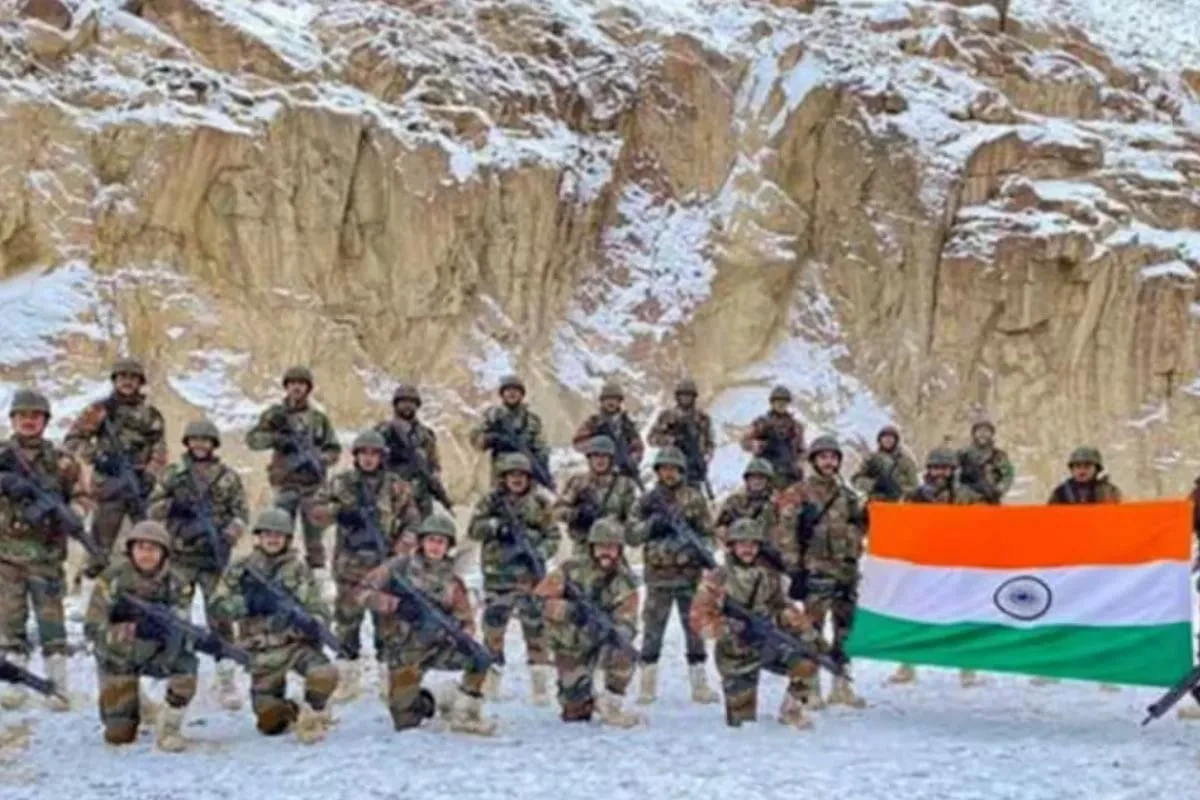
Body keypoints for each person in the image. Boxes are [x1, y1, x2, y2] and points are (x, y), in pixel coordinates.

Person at [357, 514, 497, 735]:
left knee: (479, 657)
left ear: (448, 547)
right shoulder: (399, 567)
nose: (435, 546)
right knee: (405, 720)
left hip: (437, 646)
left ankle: (465, 709)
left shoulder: (452, 581)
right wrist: (395, 605)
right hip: (403, 651)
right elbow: (361, 593)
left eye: (441, 542)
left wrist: (461, 634)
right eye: (431, 540)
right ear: (422, 541)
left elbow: (467, 620)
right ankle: (438, 698)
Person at [211, 508, 339, 743]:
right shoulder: (241, 568)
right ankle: (291, 710)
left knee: (325, 674)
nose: (273, 539)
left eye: (278, 535)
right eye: (267, 534)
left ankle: (314, 710)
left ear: (287, 539)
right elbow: (217, 606)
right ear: (258, 537)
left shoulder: (299, 569)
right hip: (261, 651)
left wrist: (313, 623)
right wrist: (247, 603)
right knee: (270, 723)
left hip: (295, 646)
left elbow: (319, 607)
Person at [147, 419, 248, 710]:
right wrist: (173, 507)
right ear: (188, 443)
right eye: (195, 440)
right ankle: (176, 677)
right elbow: (152, 508)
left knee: (221, 617)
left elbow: (241, 512)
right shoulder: (173, 474)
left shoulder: (227, 477)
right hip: (180, 557)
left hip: (213, 559)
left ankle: (226, 677)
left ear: (214, 444)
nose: (200, 445)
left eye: (206, 440)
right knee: (176, 617)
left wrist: (229, 535)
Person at [316, 431, 421, 702]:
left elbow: (413, 523)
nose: (369, 459)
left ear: (382, 457)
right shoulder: (341, 484)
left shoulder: (396, 486)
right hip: (349, 566)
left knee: (387, 625)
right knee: (347, 623)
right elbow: (315, 513)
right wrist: (339, 512)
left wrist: (400, 551)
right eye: (364, 453)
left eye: (374, 454)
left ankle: (387, 681)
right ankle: (348, 681)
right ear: (356, 456)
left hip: (384, 568)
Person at [0, 389, 88, 711]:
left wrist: (73, 514)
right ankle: (14, 685)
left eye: (35, 416)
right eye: (23, 415)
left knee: (52, 623)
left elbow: (82, 496)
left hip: (46, 555)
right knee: (10, 621)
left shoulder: (61, 461)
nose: (29, 421)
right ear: (13, 419)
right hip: (6, 554)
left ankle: (58, 685)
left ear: (45, 421)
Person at [690, 519, 822, 729]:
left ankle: (792, 710)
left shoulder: (769, 576)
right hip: (735, 656)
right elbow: (699, 620)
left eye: (753, 544)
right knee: (742, 723)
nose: (748, 549)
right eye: (742, 543)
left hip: (766, 645)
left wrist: (809, 634)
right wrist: (732, 628)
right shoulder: (718, 579)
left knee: (808, 659)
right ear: (732, 546)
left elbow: (783, 606)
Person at [84, 521, 197, 751]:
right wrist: (132, 630)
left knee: (186, 663)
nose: (146, 554)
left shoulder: (177, 582)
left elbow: (182, 623)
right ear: (131, 550)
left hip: (159, 651)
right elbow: (92, 627)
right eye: (141, 548)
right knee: (119, 735)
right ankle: (138, 702)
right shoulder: (112, 579)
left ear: (164, 552)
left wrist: (174, 639)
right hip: (119, 658)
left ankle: (169, 727)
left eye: (153, 549)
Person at [775, 436, 866, 708]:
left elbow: (860, 527)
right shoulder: (799, 493)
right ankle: (810, 688)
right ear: (814, 461)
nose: (829, 462)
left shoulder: (847, 496)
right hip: (815, 571)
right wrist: (795, 570)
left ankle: (841, 685)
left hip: (845, 572)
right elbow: (786, 533)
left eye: (833, 457)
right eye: (824, 457)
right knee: (812, 632)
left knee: (845, 631)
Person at [885, 448, 983, 687]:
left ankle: (967, 667)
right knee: (914, 615)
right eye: (936, 468)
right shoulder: (915, 496)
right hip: (923, 566)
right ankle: (907, 665)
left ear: (953, 471)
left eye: (945, 468)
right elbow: (901, 527)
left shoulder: (965, 496)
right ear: (928, 470)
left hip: (957, 565)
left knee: (962, 616)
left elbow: (982, 525)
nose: (940, 473)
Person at [628, 447, 719, 705]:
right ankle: (647, 687)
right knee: (652, 632)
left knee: (695, 631)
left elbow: (709, 535)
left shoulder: (694, 499)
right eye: (664, 468)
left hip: (689, 577)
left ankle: (700, 686)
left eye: (674, 469)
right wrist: (652, 525)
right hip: (658, 577)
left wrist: (699, 549)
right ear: (658, 471)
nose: (669, 474)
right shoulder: (647, 501)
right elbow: (631, 535)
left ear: (681, 471)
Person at [467, 453, 560, 704]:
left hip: (530, 579)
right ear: (504, 477)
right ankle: (491, 685)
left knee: (537, 632)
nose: (516, 480)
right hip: (498, 578)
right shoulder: (491, 502)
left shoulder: (540, 504)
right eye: (512, 475)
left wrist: (538, 551)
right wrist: (497, 527)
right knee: (493, 632)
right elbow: (473, 529)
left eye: (521, 475)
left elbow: (553, 536)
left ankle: (540, 688)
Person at [534, 517, 641, 727]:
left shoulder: (626, 581)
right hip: (571, 642)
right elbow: (538, 600)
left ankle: (611, 703)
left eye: (611, 547)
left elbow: (628, 619)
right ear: (592, 547)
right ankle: (584, 697)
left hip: (604, 641)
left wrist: (616, 632)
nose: (606, 553)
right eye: (601, 547)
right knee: (575, 713)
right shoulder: (570, 569)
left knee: (624, 650)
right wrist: (569, 611)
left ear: (619, 550)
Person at [64, 358, 166, 578]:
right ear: (115, 380)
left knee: (148, 540)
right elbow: (73, 440)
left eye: (133, 378)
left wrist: (150, 475)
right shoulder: (99, 410)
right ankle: (88, 589)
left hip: (138, 485)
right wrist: (98, 457)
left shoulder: (151, 415)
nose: (127, 382)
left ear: (140, 382)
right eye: (122, 377)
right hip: (108, 486)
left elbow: (159, 449)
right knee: (99, 548)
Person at [244, 366, 342, 579]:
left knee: (314, 539)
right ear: (286, 387)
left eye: (301, 384)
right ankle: (276, 575)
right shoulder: (275, 415)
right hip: (285, 485)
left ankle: (316, 579)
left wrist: (320, 459)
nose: (297, 388)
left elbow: (334, 449)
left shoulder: (318, 420)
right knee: (278, 532)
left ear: (308, 388)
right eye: (292, 384)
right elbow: (252, 440)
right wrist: (278, 439)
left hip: (312, 487)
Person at [375, 384, 447, 518]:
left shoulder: (426, 434)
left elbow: (433, 464)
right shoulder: (384, 430)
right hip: (391, 492)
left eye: (412, 402)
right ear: (396, 405)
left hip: (421, 495)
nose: (407, 406)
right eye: (403, 401)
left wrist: (434, 481)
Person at [554, 436, 638, 548]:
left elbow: (633, 518)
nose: (600, 460)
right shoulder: (578, 481)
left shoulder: (624, 484)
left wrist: (614, 523)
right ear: (589, 458)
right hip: (584, 546)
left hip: (613, 547)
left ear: (611, 459)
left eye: (604, 456)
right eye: (596, 455)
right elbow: (557, 511)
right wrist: (577, 514)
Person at [469, 375, 551, 487]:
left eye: (516, 390)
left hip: (526, 472)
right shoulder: (493, 415)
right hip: (501, 471)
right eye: (508, 390)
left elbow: (542, 448)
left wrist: (542, 466)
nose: (512, 393)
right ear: (502, 394)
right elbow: (475, 438)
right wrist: (493, 439)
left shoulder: (532, 420)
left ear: (521, 394)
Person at [647, 378, 715, 494]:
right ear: (677, 397)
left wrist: (705, 456)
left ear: (694, 397)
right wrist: (672, 440)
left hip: (694, 467)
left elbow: (710, 443)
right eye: (683, 395)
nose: (686, 398)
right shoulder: (667, 416)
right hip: (671, 465)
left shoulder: (702, 419)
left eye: (689, 395)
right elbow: (652, 438)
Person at [570, 383, 644, 485]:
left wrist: (631, 460)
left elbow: (638, 447)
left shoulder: (627, 424)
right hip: (599, 474)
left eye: (614, 399)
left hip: (624, 473)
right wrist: (598, 448)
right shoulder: (594, 422)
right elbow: (577, 443)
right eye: (608, 399)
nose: (611, 402)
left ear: (619, 402)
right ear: (602, 401)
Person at [739, 386, 805, 488]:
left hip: (790, 472)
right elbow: (744, 441)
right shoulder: (762, 423)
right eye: (778, 401)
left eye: (784, 401)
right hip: (766, 472)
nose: (781, 404)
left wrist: (800, 464)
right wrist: (758, 445)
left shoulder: (795, 426)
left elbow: (801, 450)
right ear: (772, 403)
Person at [715, 459, 777, 545]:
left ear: (768, 481)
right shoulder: (735, 501)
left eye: (760, 478)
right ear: (747, 480)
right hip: (740, 547)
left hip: (768, 546)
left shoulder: (775, 502)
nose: (756, 482)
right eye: (753, 478)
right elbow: (720, 527)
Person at [850, 425, 918, 502]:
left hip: (900, 503)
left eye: (891, 437)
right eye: (885, 437)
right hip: (875, 502)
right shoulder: (871, 460)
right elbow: (856, 480)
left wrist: (899, 489)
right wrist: (874, 485)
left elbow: (914, 486)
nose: (888, 440)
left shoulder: (906, 461)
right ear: (880, 440)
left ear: (896, 440)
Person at [957, 418, 1014, 505]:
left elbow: (1008, 475)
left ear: (992, 434)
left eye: (986, 431)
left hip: (988, 498)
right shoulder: (963, 454)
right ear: (973, 434)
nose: (983, 434)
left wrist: (999, 489)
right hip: (965, 499)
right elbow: (954, 474)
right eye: (979, 431)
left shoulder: (999, 455)